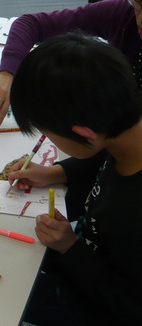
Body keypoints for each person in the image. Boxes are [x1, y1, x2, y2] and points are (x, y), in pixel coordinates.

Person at [7, 33, 142, 325]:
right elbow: (102, 151)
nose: (50, 143)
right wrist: (56, 172)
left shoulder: (134, 211)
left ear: (83, 132)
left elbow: (130, 306)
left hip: (98, 304)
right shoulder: (124, 126)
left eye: (48, 135)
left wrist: (70, 247)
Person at [0, 0, 142, 127]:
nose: (140, 20)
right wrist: (7, 73)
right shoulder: (122, 14)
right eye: (140, 1)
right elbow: (30, 23)